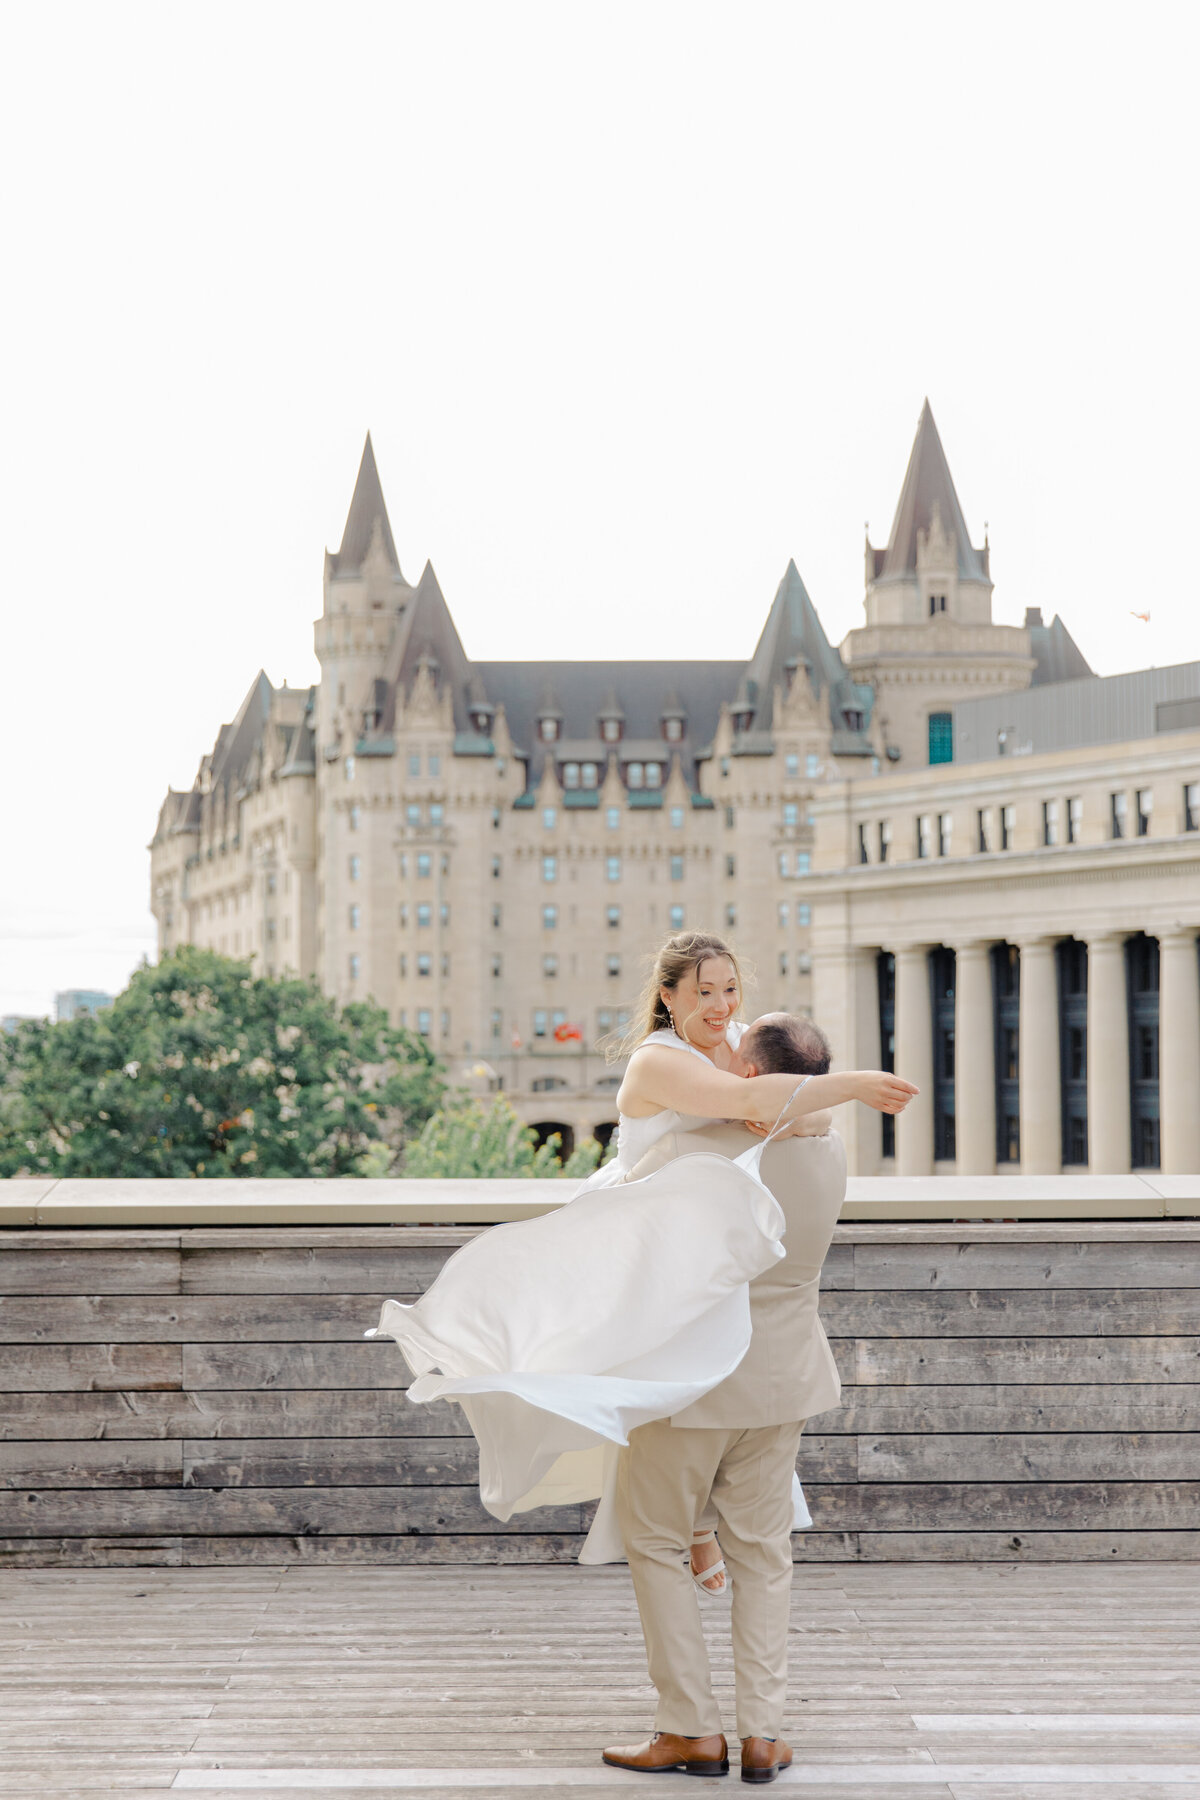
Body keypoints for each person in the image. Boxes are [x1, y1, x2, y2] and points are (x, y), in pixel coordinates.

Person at [366, 931, 915, 1558]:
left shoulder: (738, 1043)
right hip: (639, 1238)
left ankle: (702, 1521)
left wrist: (805, 1109)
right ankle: (696, 1525)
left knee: (712, 1387)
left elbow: (796, 1106)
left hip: (696, 1242)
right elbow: (747, 1098)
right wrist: (852, 1083)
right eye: (704, 991)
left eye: (730, 989)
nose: (721, 1005)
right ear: (668, 995)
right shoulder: (657, 1060)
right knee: (634, 1388)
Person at [602, 1011, 847, 1783]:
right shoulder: (829, 1149)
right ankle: (764, 1735)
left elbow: (622, 1244)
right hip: (784, 1380)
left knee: (656, 1544)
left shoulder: (692, 1151)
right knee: (765, 1559)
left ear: (755, 1078)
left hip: (694, 1386)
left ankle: (690, 1731)